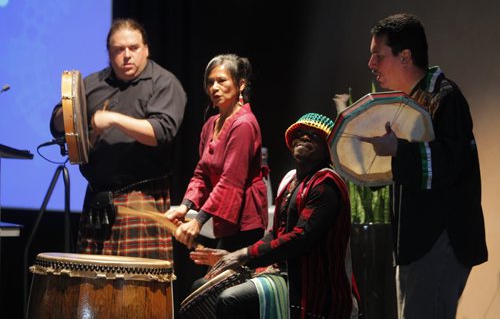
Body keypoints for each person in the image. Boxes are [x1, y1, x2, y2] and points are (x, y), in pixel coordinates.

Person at [361, 13, 487, 318]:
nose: (371, 64)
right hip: (417, 241)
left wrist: (397, 150)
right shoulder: (408, 101)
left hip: (440, 238)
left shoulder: (445, 97)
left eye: (378, 55)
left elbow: (450, 163)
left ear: (405, 56)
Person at [189, 113, 358, 318]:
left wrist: (245, 256)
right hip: (282, 273)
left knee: (230, 300)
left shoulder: (327, 184)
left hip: (311, 283)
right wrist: (238, 254)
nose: (304, 138)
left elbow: (300, 237)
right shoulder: (291, 180)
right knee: (201, 286)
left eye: (314, 136)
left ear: (328, 148)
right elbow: (276, 232)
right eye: (300, 133)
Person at [50, 18, 187, 260]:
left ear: (146, 49)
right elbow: (57, 125)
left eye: (133, 48)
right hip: (97, 196)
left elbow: (161, 132)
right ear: (109, 52)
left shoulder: (163, 83)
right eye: (118, 49)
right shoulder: (92, 83)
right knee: (92, 285)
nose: (126, 55)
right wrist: (67, 113)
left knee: (139, 284)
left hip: (142, 197)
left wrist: (113, 119)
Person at [166, 54, 268, 253]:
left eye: (222, 81)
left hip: (245, 220)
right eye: (210, 82)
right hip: (226, 218)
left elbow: (231, 180)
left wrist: (199, 221)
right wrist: (185, 207)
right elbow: (202, 173)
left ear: (240, 85)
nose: (214, 87)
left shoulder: (244, 124)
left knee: (215, 282)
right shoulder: (210, 124)